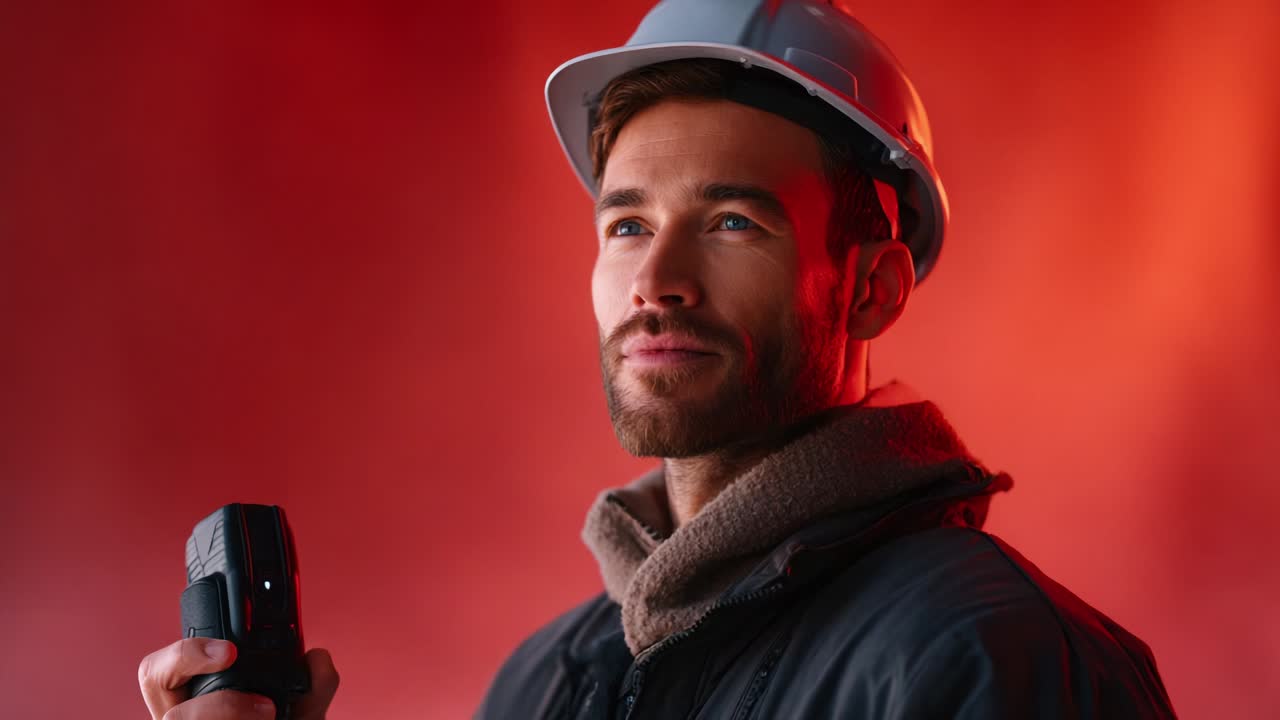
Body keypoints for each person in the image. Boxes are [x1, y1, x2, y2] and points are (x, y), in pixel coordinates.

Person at [137, 1, 1177, 718]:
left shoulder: (995, 660)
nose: (657, 282)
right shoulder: (541, 685)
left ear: (872, 288)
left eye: (731, 223)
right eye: (627, 227)